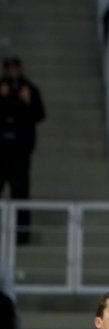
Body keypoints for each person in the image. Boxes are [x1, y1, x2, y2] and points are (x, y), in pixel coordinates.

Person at [0, 56, 46, 245]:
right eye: (8, 68)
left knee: (20, 192)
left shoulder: (30, 89)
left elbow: (40, 114)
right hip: (1, 150)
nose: (12, 71)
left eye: (15, 67)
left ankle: (21, 235)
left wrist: (28, 102)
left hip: (20, 150)